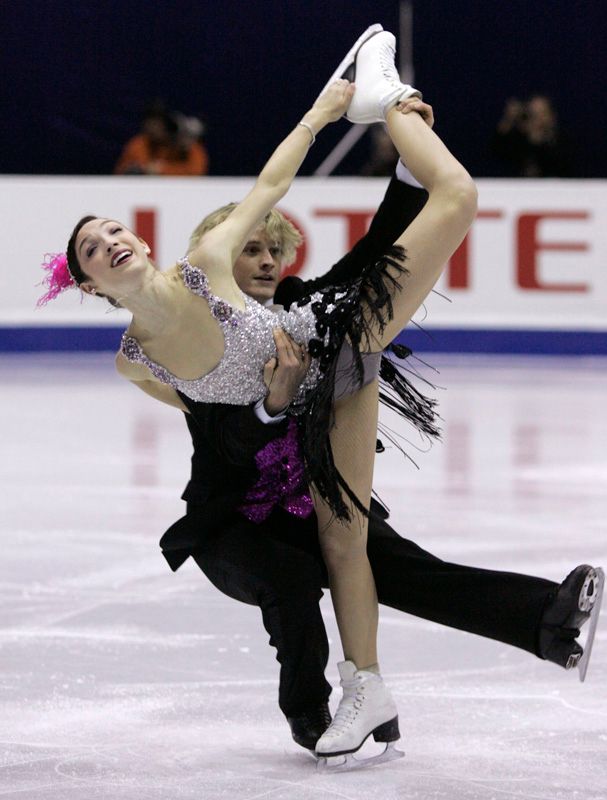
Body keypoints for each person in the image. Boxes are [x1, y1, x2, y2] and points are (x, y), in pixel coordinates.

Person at [37, 27, 600, 763]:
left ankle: (384, 90)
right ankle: (362, 689)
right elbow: (220, 431)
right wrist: (273, 402)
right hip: (267, 475)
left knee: (456, 194)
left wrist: (326, 112)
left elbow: (277, 189)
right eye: (90, 246)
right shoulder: (136, 363)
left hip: (336, 342)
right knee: (341, 550)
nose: (109, 239)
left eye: (115, 228)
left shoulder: (209, 266)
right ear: (88, 284)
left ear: (141, 241)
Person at [159, 150, 603, 759]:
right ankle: (311, 711)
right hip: (234, 523)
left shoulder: (300, 309)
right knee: (289, 582)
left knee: (408, 570)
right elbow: (226, 444)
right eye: (249, 249)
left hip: (315, 499)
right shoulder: (198, 339)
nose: (264, 261)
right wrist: (272, 401)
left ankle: (545, 620)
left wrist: (407, 174)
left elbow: (374, 254)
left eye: (272, 251)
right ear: (217, 256)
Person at [114, 103, 209, 176]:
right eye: (151, 124)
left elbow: (196, 172)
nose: (154, 129)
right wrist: (144, 170)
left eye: (158, 124)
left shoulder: (188, 147)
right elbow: (122, 172)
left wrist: (163, 170)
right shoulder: (139, 144)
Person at [491, 94, 572, 177]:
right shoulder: (518, 140)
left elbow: (563, 167)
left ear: (551, 116)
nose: (537, 118)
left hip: (554, 187)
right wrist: (509, 119)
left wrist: (540, 141)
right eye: (533, 114)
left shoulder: (561, 140)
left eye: (542, 113)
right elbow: (496, 152)